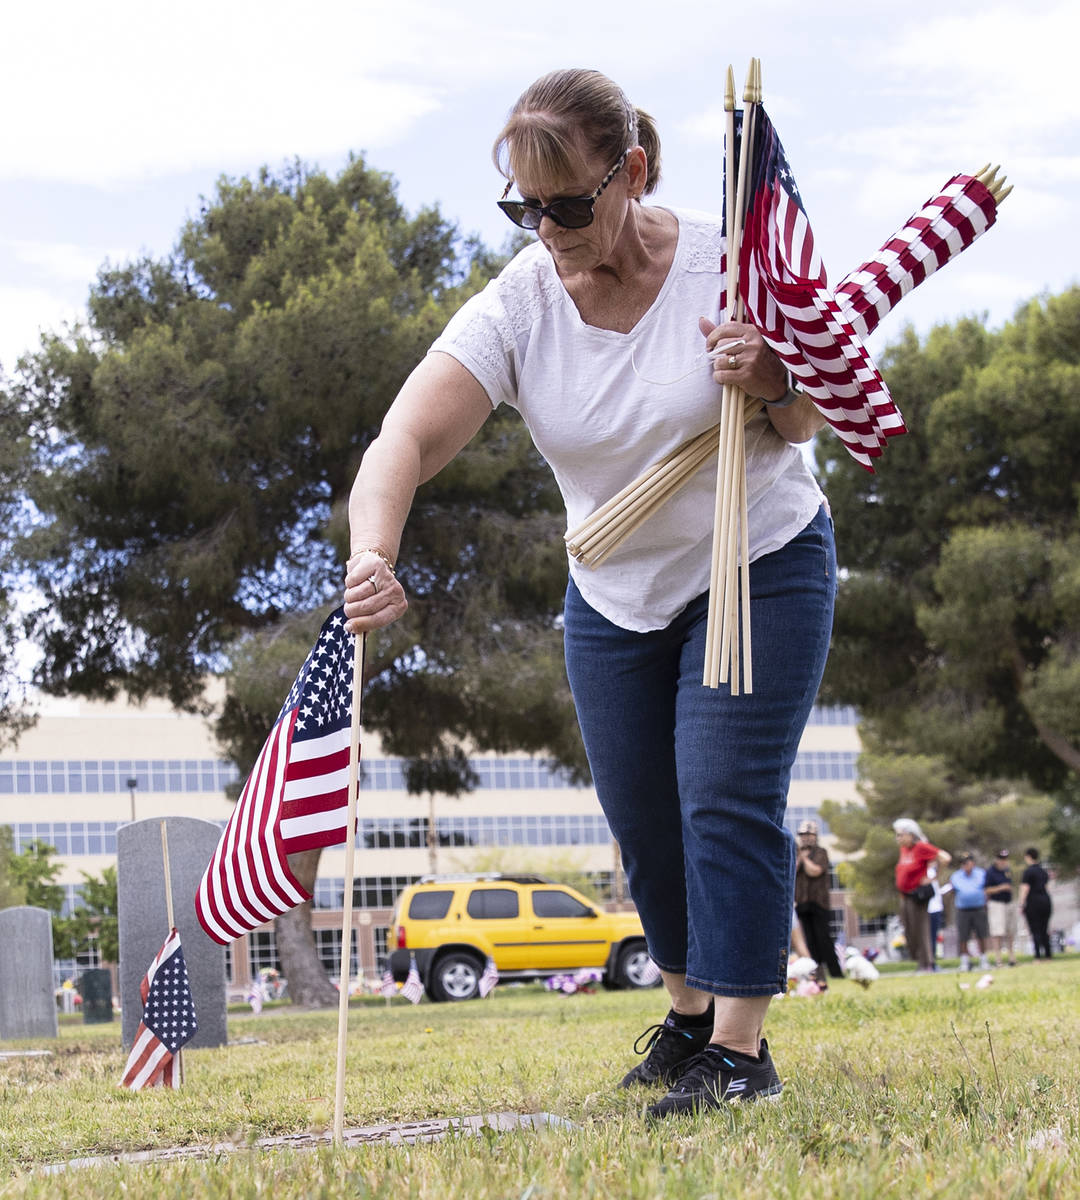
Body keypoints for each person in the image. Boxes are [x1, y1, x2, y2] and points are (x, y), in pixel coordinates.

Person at [342, 68, 835, 1117]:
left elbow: (806, 424)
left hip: (758, 566)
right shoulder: (519, 303)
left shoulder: (729, 264)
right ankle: (691, 1017)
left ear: (634, 173)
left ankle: (743, 1057)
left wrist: (775, 379)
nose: (549, 229)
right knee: (645, 819)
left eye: (569, 205)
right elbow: (406, 437)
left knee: (723, 793)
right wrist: (372, 551)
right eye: (526, 208)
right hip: (613, 591)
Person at [892, 818, 951, 973]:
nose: (898, 839)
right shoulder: (904, 850)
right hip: (904, 896)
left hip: (917, 895)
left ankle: (927, 964)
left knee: (921, 930)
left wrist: (933, 877)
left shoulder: (920, 847)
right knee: (910, 931)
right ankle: (920, 962)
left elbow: (945, 857)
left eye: (900, 835)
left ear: (911, 835)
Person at [794, 820, 842, 986]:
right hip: (802, 903)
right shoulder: (796, 854)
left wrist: (803, 858)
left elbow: (815, 871)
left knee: (824, 939)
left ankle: (836, 973)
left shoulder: (821, 852)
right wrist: (799, 857)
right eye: (802, 835)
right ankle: (817, 975)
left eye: (808, 835)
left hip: (819, 903)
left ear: (815, 836)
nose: (805, 838)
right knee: (809, 942)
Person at [950, 853, 990, 972]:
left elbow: (986, 889)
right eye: (963, 863)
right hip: (963, 910)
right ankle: (965, 962)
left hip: (978, 908)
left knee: (982, 935)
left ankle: (983, 960)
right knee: (963, 936)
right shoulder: (956, 876)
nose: (966, 865)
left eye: (968, 862)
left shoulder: (981, 873)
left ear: (973, 862)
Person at [984, 848, 1018, 967]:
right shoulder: (990, 872)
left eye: (1005, 859)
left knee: (1010, 931)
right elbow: (986, 890)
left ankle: (1011, 956)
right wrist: (1000, 888)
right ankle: (998, 959)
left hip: (1008, 903)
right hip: (996, 904)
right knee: (997, 931)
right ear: (996, 859)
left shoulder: (1007, 871)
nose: (1004, 861)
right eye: (1001, 859)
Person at [1020, 847, 1053, 959]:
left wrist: (1021, 904)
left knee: (1035, 929)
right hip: (1045, 901)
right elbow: (1047, 888)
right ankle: (1048, 954)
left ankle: (1038, 956)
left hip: (1033, 902)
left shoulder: (1028, 872)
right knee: (1044, 929)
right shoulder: (1043, 871)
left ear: (1028, 857)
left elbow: (1025, 889)